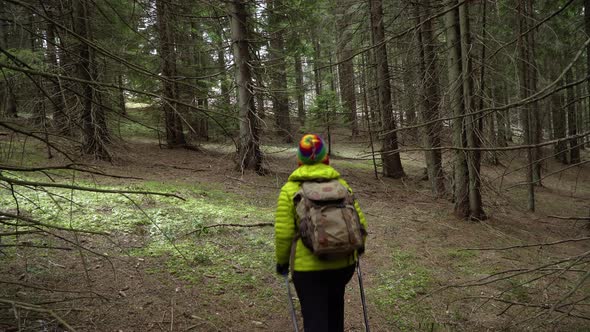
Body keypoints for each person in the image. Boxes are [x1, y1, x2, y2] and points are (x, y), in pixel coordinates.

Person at [274, 133, 368, 332]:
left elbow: (283, 234)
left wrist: (282, 263)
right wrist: (358, 249)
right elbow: (360, 223)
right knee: (335, 310)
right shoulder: (342, 186)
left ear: (299, 159)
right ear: (326, 158)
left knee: (314, 316)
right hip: (343, 263)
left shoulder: (290, 189)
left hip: (308, 270)